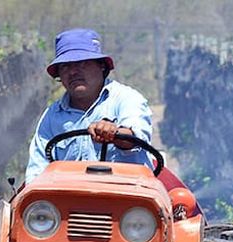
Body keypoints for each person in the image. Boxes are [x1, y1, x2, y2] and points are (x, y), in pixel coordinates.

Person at [24, 28, 154, 183]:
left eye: (82, 63)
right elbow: (37, 171)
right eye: (65, 66)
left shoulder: (127, 99)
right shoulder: (51, 116)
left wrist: (116, 134)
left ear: (102, 66)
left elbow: (136, 138)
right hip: (69, 195)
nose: (73, 72)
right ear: (59, 75)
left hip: (127, 193)